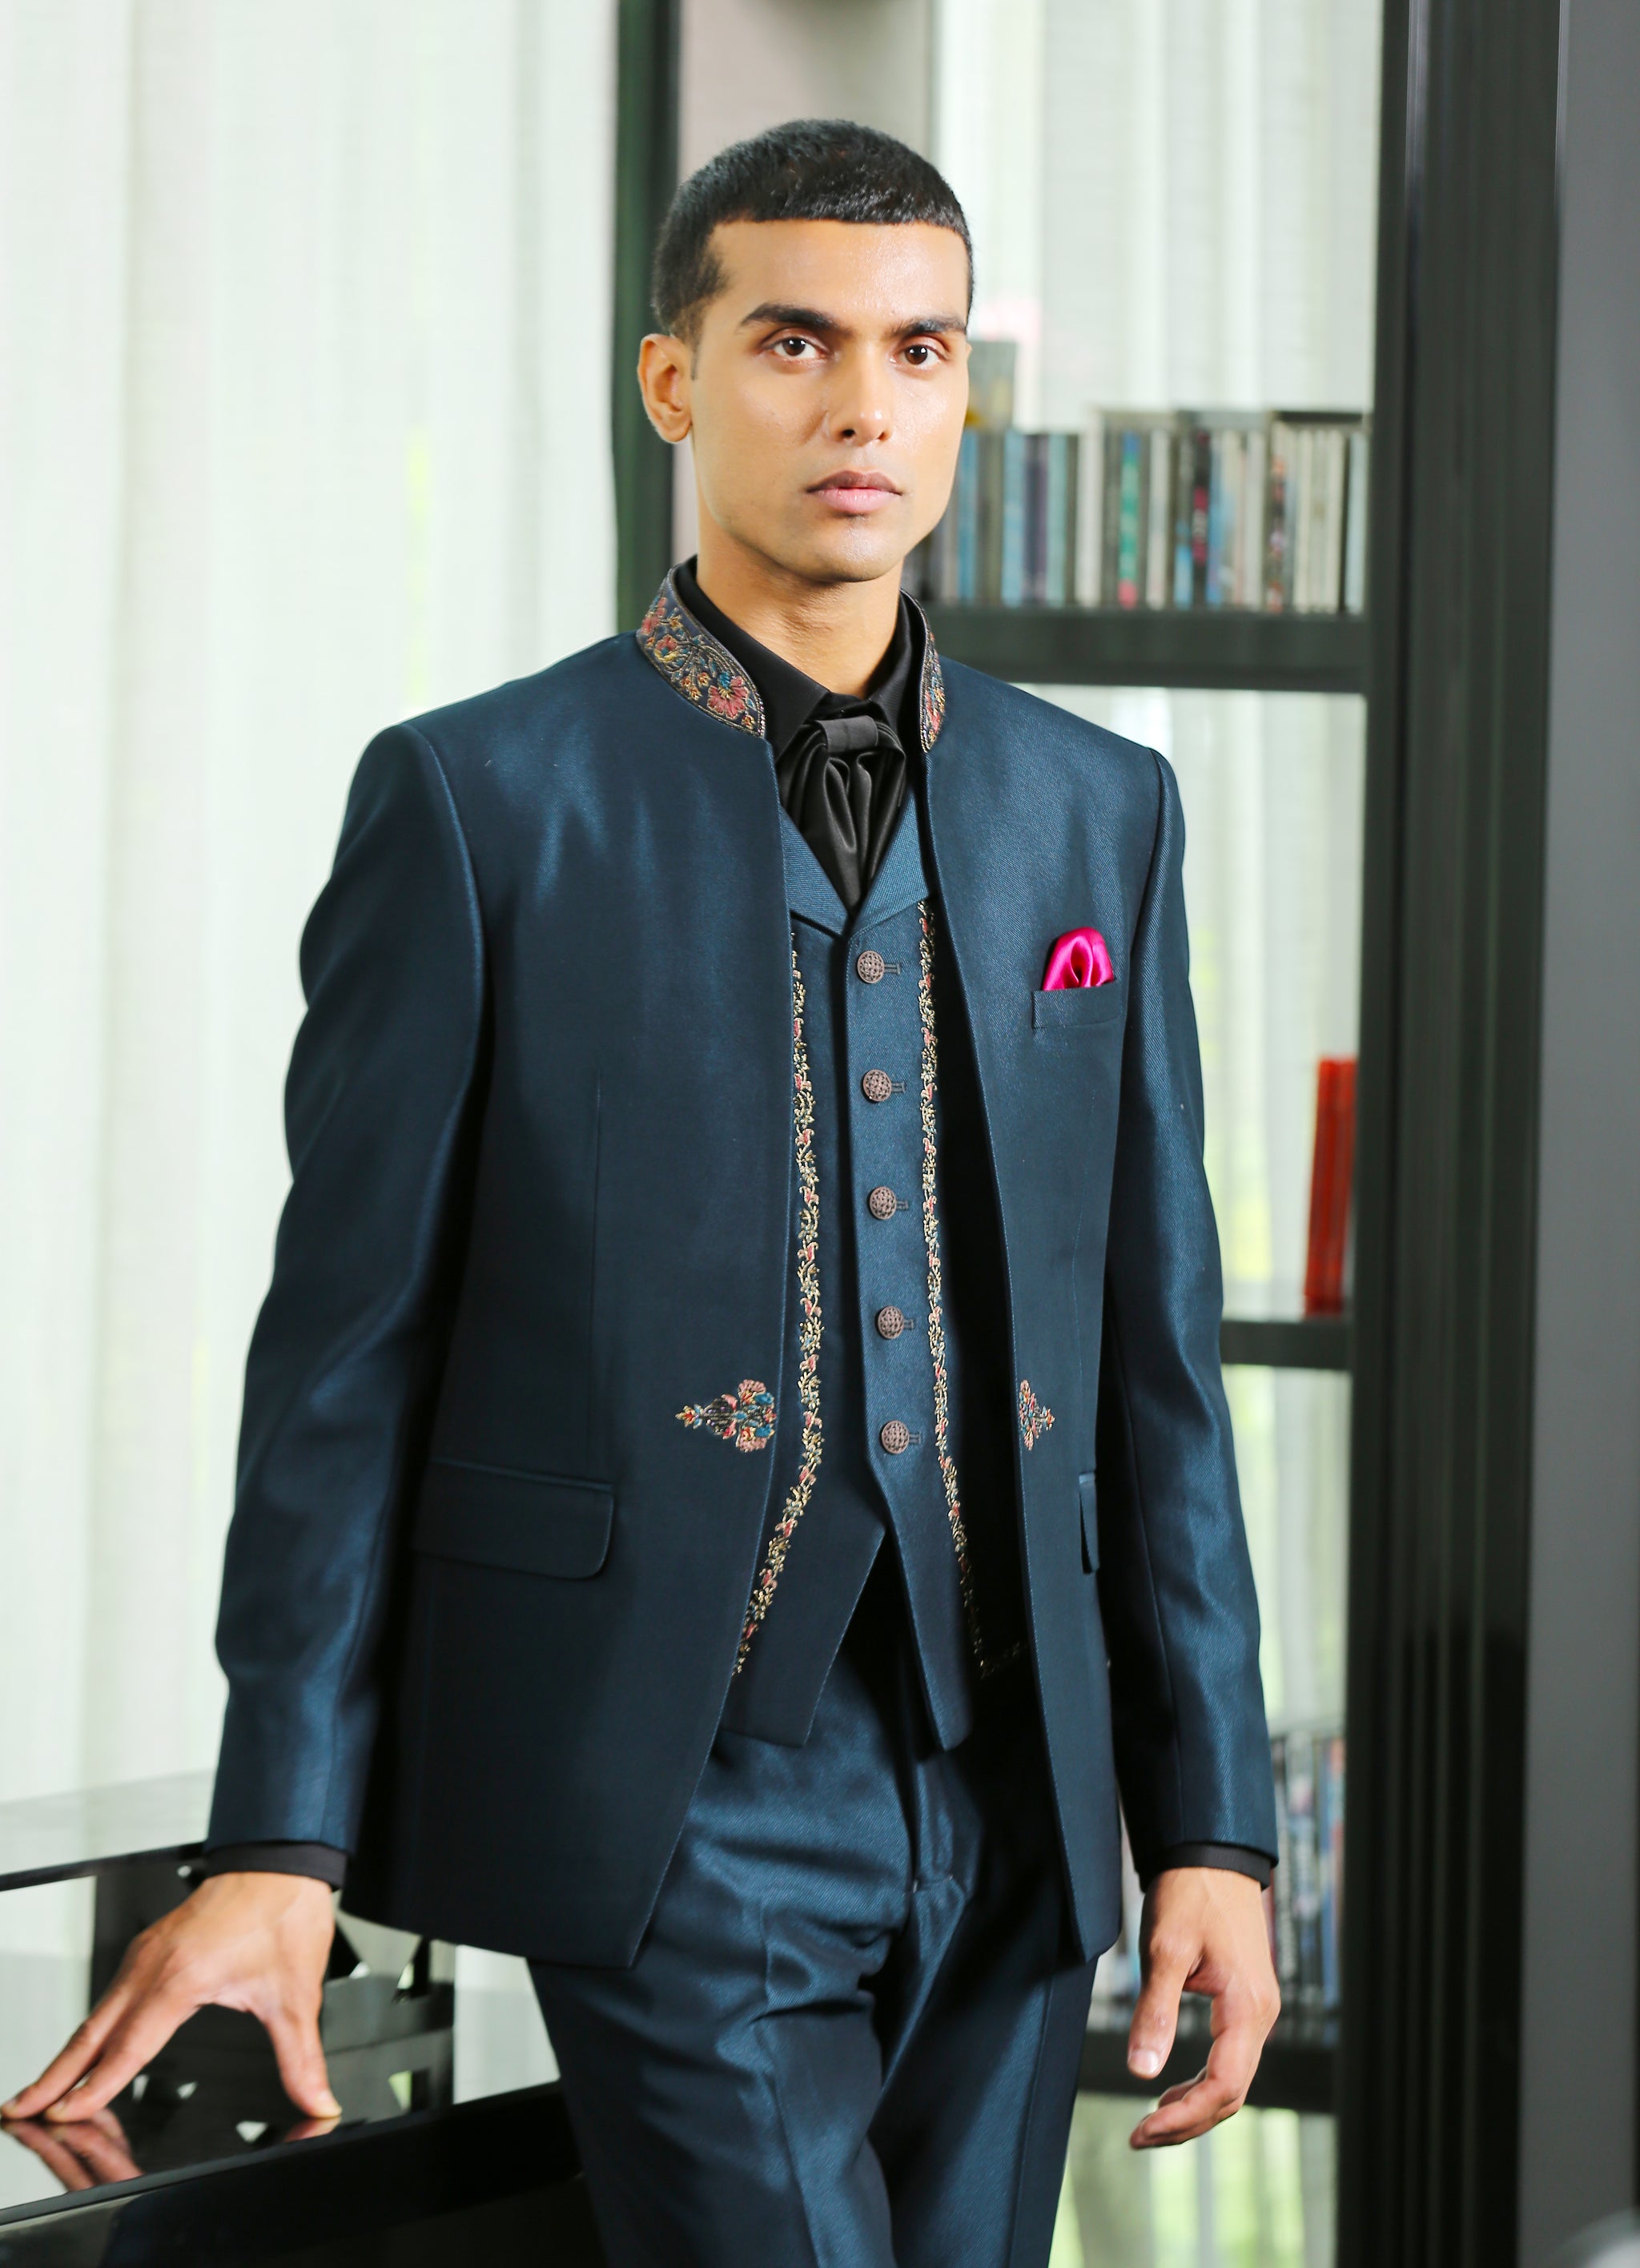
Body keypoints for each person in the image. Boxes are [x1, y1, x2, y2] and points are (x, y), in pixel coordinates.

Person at [4, 120, 1280, 2267]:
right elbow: (344, 1365)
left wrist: (1215, 1829)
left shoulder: (1101, 814)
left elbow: (1155, 1365)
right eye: (794, 341)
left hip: (1024, 1801)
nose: (863, 404)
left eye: (919, 351)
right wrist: (280, 1836)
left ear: (965, 392)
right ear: (675, 380)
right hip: (673, 1798)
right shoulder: (482, 801)